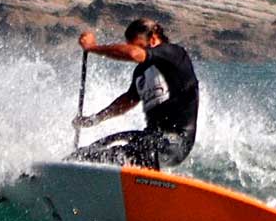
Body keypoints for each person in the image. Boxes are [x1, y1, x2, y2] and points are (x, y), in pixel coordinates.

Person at [70, 18, 199, 170]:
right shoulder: (141, 72)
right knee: (89, 152)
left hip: (176, 141)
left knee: (128, 154)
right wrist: (95, 119)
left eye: (138, 45)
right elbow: (128, 100)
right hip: (150, 137)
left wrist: (93, 48)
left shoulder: (174, 54)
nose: (135, 50)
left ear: (153, 38)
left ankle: (147, 184)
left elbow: (133, 54)